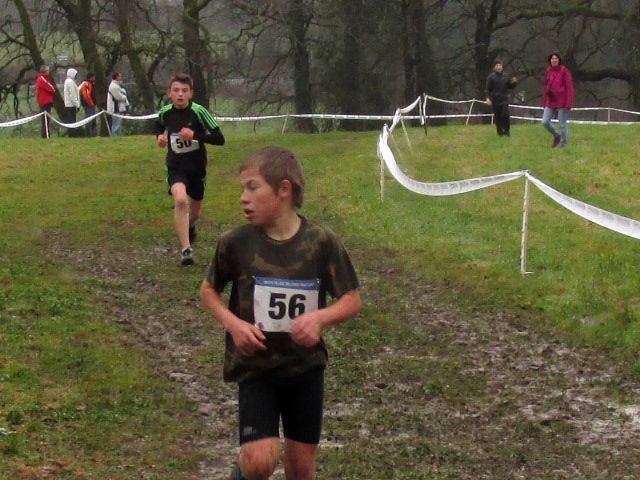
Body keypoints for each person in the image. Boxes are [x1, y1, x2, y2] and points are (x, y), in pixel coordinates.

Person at [199, 146, 362, 480]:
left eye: (252, 187)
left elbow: (351, 299)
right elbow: (208, 291)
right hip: (256, 369)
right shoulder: (236, 243)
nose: (243, 198)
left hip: (305, 369)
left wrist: (319, 318)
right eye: (242, 189)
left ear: (283, 189)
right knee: (260, 461)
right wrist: (234, 325)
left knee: (301, 469)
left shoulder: (321, 242)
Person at [154, 73, 225, 266]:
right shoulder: (165, 112)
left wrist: (195, 136)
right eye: (176, 90)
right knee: (180, 200)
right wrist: (160, 137)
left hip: (197, 168)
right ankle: (186, 250)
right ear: (169, 93)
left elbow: (220, 139)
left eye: (184, 91)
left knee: (194, 213)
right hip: (176, 166)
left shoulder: (199, 112)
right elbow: (158, 125)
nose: (180, 94)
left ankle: (190, 225)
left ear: (191, 93)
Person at [542, 51, 574, 148]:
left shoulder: (564, 71)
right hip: (550, 101)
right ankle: (557, 136)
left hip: (562, 101)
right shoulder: (548, 71)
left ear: (559, 60)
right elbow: (546, 86)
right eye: (552, 58)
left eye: (556, 58)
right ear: (550, 60)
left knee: (562, 124)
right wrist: (545, 101)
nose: (554, 60)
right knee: (545, 122)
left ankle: (563, 144)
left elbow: (569, 87)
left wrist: (569, 102)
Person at [485, 59, 518, 137]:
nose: (499, 67)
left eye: (500, 65)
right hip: (495, 100)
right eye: (497, 65)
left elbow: (509, 86)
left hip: (504, 99)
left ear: (502, 67)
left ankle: (507, 131)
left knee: (505, 115)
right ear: (494, 67)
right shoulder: (491, 77)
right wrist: (487, 98)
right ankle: (500, 132)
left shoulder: (506, 76)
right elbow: (487, 89)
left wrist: (514, 83)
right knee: (498, 117)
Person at [35, 65, 56, 138]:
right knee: (45, 120)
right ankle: (45, 135)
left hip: (44, 101)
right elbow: (51, 88)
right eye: (48, 70)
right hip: (45, 102)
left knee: (46, 120)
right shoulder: (42, 79)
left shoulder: (42, 78)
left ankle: (46, 134)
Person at [63, 67, 81, 137]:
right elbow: (72, 95)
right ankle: (72, 134)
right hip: (71, 105)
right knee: (72, 121)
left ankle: (71, 134)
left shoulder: (68, 81)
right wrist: (77, 105)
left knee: (71, 120)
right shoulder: (70, 82)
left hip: (69, 104)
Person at [79, 72, 97, 137]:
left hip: (92, 104)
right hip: (88, 105)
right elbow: (86, 96)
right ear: (90, 78)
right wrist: (91, 103)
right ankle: (88, 134)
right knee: (89, 119)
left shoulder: (91, 84)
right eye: (93, 77)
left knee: (93, 119)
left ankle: (93, 134)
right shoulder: (86, 84)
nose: (94, 78)